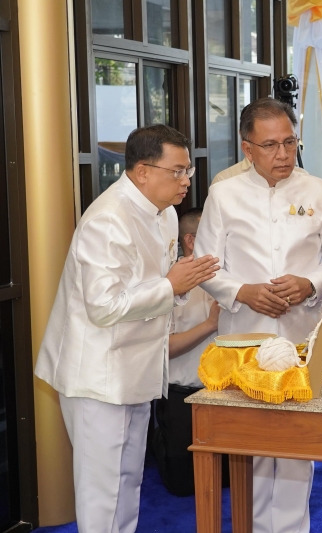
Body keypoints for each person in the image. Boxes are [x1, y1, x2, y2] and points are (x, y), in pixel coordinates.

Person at [33, 124, 220, 532]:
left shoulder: (166, 214)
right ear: (141, 171)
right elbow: (104, 307)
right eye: (177, 171)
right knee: (102, 492)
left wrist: (180, 287)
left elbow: (159, 285)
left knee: (128, 481)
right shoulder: (107, 219)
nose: (186, 180)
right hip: (98, 375)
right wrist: (172, 284)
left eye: (187, 170)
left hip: (137, 366)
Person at [194, 97, 322, 533]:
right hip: (245, 336)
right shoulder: (223, 194)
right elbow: (206, 265)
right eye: (270, 145)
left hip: (303, 334)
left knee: (299, 441)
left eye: (289, 142)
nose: (283, 155)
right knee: (255, 444)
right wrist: (243, 291)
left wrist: (310, 283)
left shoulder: (319, 190)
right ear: (247, 149)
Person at [152, 207, 226, 496]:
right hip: (184, 395)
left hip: (231, 393)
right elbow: (163, 349)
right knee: (184, 485)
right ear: (192, 241)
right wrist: (210, 325)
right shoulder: (169, 282)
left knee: (239, 476)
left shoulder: (234, 276)